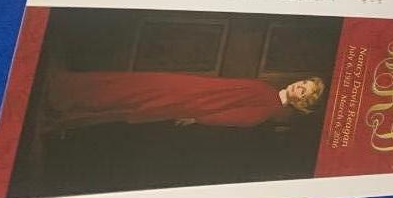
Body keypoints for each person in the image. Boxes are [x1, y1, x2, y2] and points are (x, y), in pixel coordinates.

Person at [43, 69, 325, 130]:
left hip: (188, 101)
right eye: (303, 83)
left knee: (132, 97)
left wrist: (196, 117)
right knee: (133, 84)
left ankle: (65, 99)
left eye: (304, 92)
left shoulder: (267, 109)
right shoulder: (268, 90)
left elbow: (231, 119)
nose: (299, 87)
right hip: (189, 88)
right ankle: (68, 88)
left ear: (302, 104)